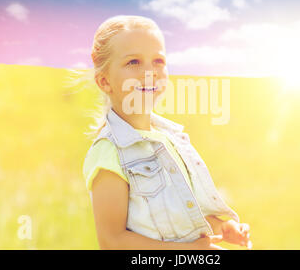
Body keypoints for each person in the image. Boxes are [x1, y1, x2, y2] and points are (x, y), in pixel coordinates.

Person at [79, 15, 252, 250]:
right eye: (133, 62)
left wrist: (220, 227)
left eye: (158, 60)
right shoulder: (109, 153)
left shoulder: (171, 140)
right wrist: (192, 251)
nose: (149, 71)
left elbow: (178, 215)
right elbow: (112, 242)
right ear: (105, 81)